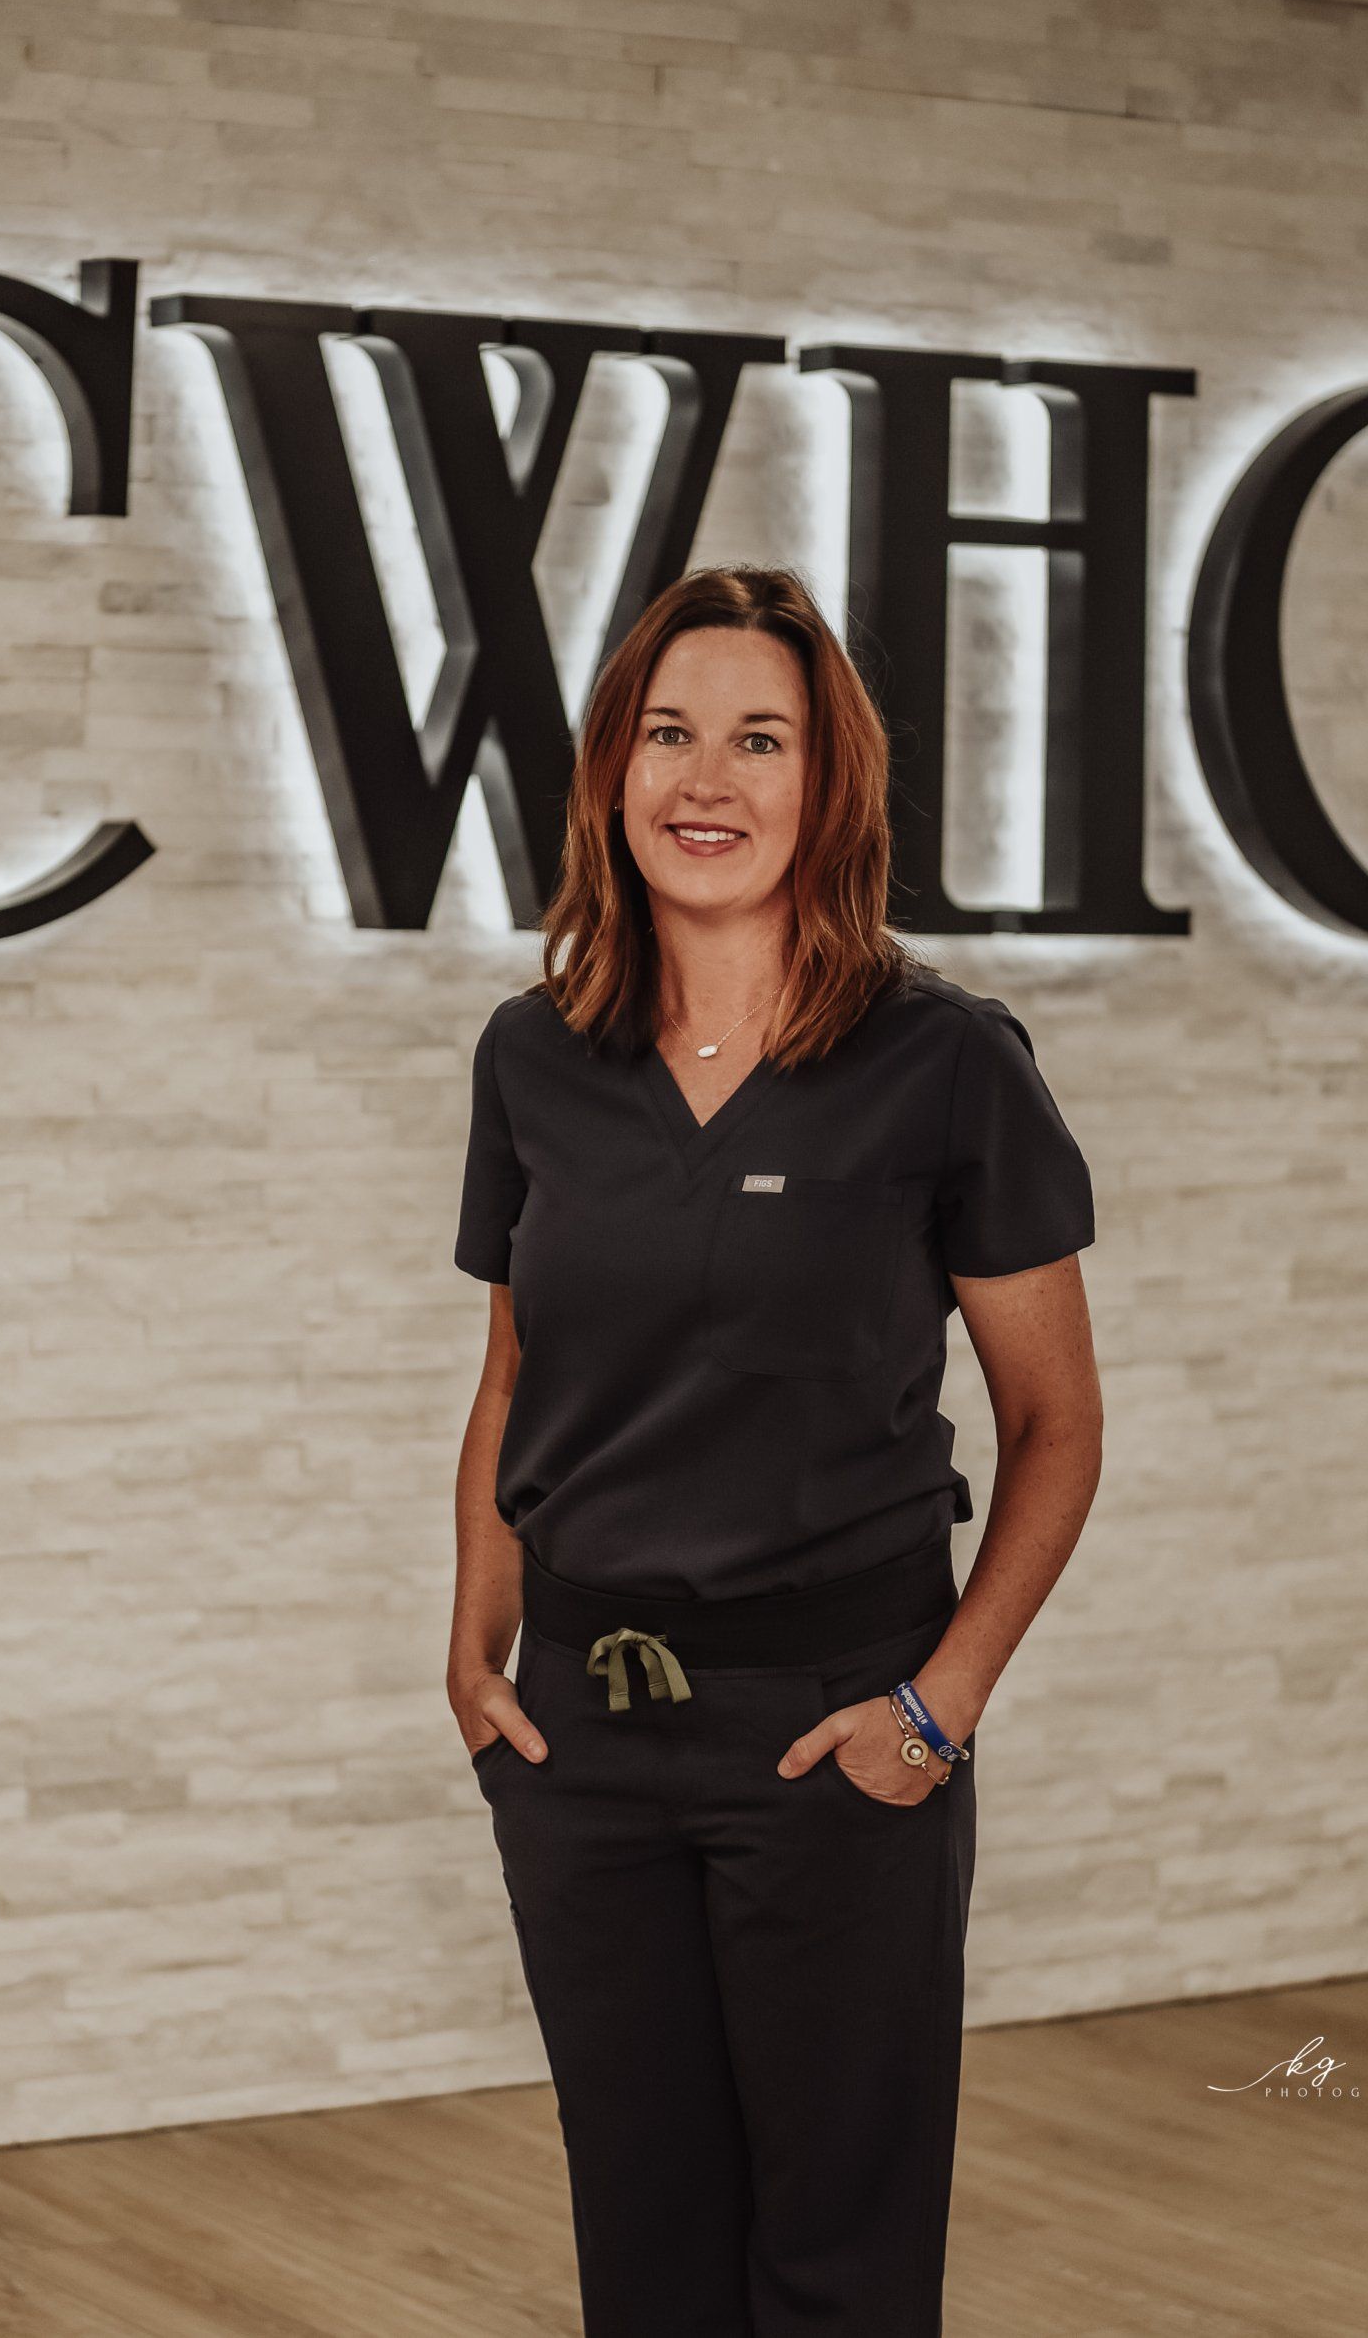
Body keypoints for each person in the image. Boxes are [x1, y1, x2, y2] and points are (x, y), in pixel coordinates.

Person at [446, 561, 1103, 2338]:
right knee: (644, 2244)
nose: (706, 779)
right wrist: (478, 1645)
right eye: (669, 733)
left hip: (835, 1725)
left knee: (836, 2255)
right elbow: (512, 1379)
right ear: (610, 771)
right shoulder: (536, 1057)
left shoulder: (943, 1062)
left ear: (831, 785)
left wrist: (937, 1707)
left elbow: (1054, 1425)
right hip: (586, 1734)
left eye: (760, 737)